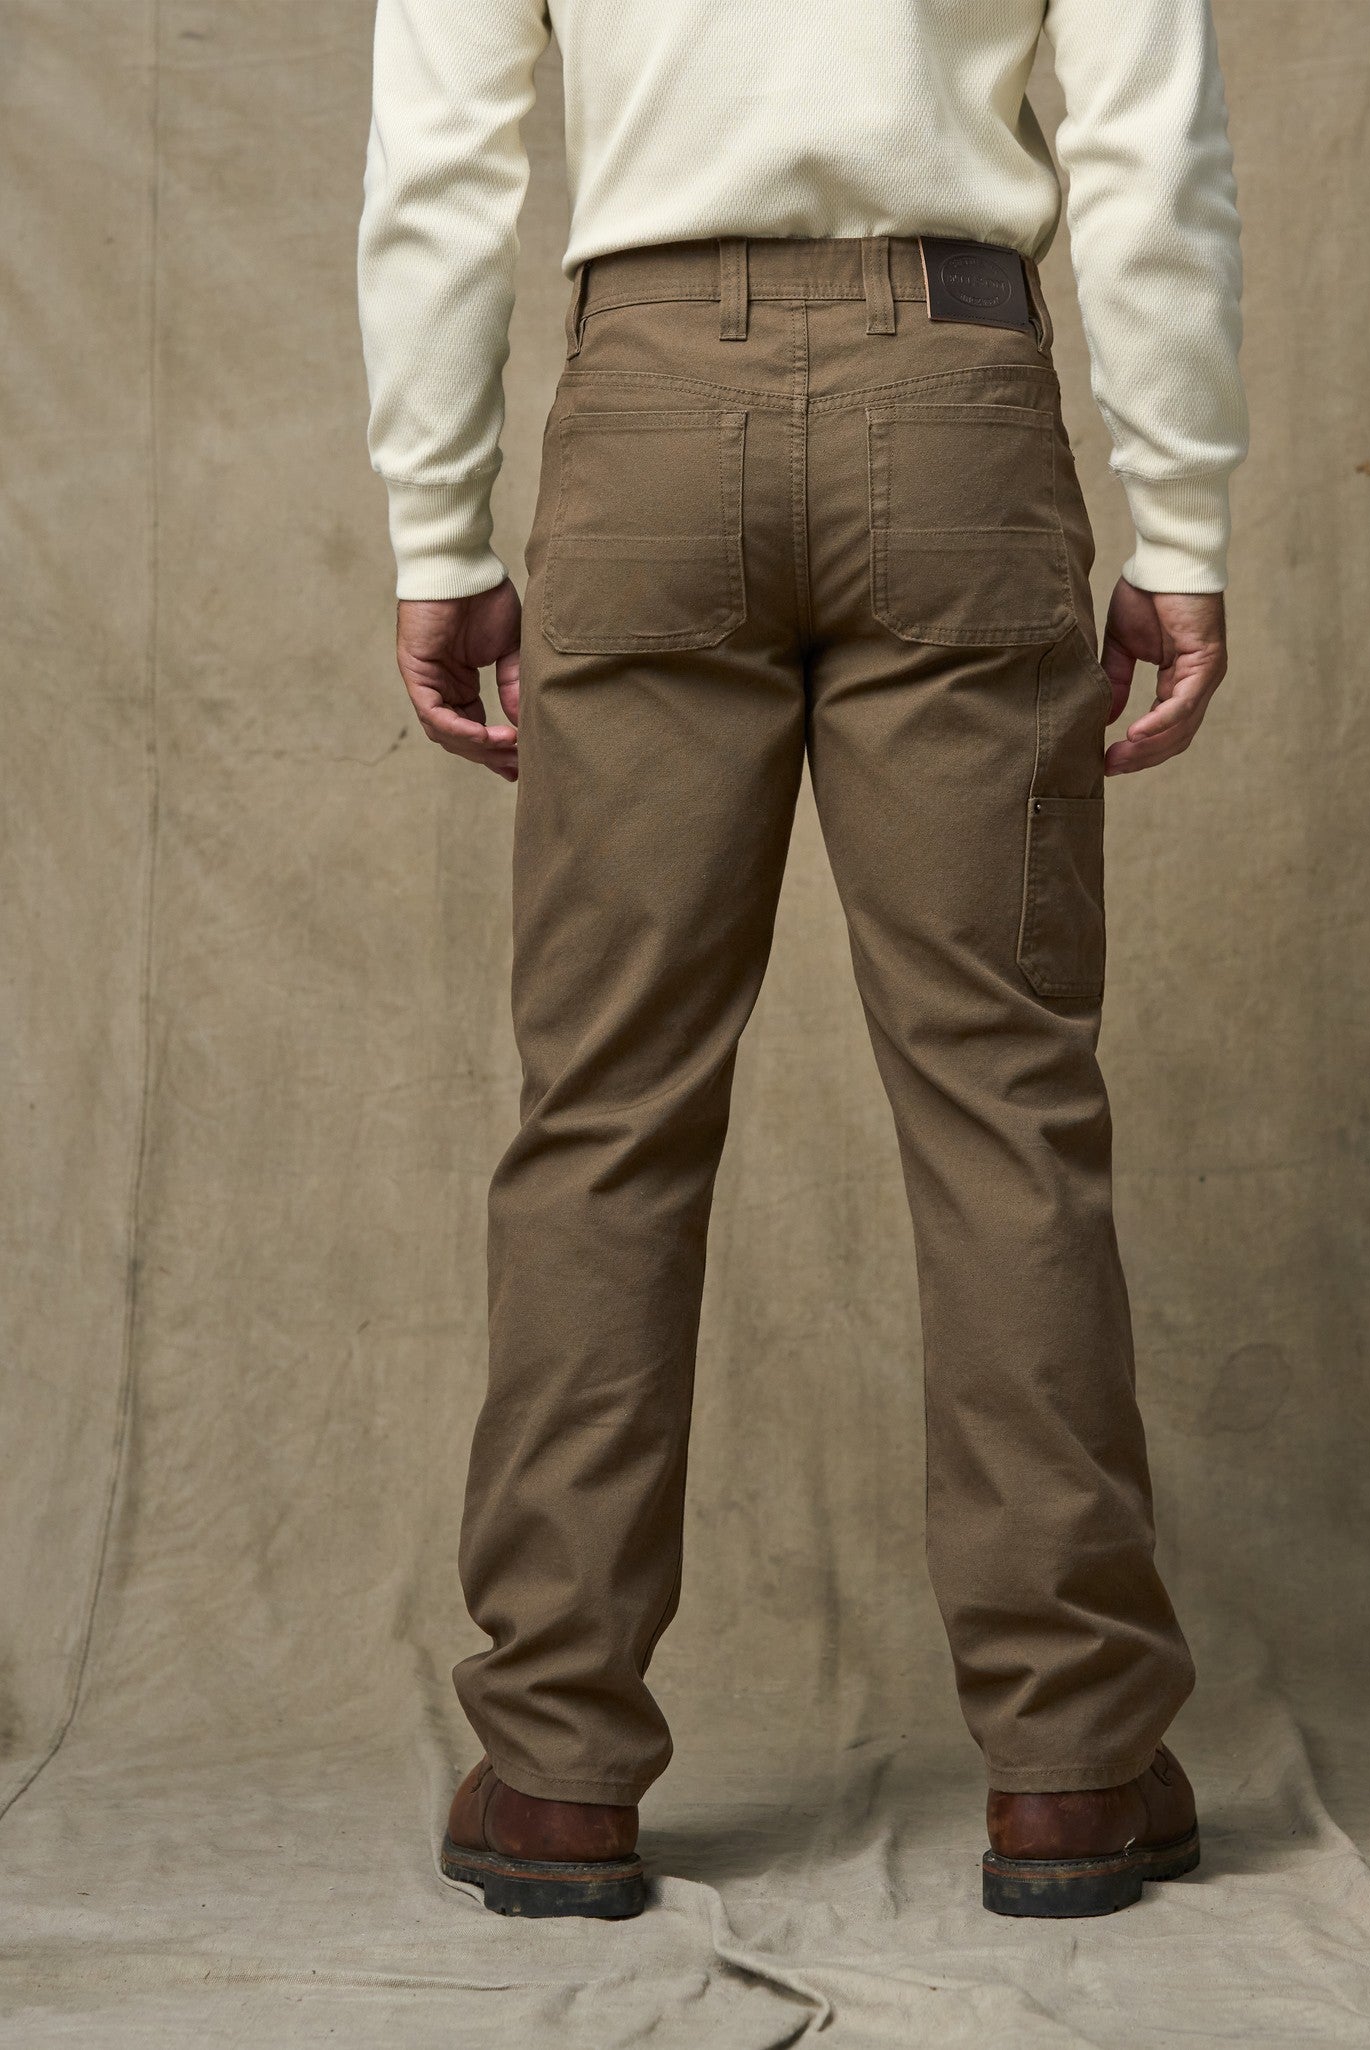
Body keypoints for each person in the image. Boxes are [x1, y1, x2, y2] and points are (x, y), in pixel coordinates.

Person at [358, 0, 1247, 1921]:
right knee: (1008, 1109)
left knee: (604, 1113)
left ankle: (555, 1770)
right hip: (958, 394)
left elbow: (441, 166)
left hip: (647, 411)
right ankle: (1076, 1765)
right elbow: (1147, 141)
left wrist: (438, 531)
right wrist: (1179, 515)